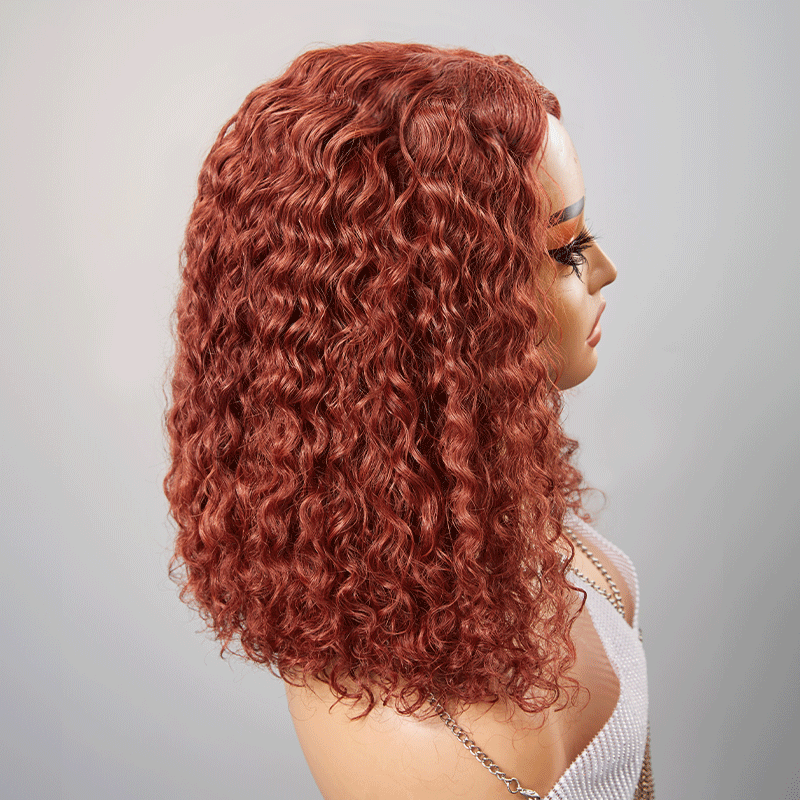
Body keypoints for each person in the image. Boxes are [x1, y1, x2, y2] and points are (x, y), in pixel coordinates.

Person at [164, 42, 653, 799]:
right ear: (434, 310)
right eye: (565, 249)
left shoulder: (579, 564)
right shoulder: (416, 750)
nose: (606, 269)